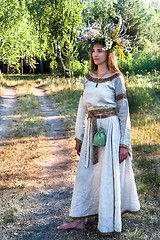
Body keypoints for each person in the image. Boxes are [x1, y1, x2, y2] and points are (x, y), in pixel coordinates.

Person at [57, 19, 140, 235]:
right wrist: (79, 136)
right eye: (93, 50)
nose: (95, 54)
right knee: (86, 175)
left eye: (100, 50)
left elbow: (124, 112)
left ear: (108, 53)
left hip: (111, 131)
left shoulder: (116, 78)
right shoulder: (87, 78)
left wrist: (124, 143)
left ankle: (107, 221)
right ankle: (80, 218)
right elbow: (82, 110)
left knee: (106, 176)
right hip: (92, 130)